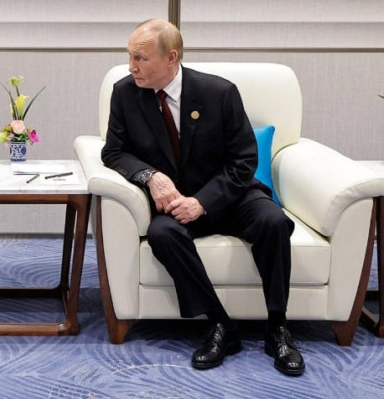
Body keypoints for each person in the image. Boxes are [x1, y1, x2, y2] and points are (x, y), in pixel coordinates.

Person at [101, 19, 304, 376]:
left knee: (273, 221)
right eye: (130, 56)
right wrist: (150, 177)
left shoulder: (219, 92)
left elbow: (244, 161)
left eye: (140, 58)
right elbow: (114, 152)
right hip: (174, 202)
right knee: (162, 234)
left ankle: (278, 327)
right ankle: (220, 323)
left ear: (171, 57)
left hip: (229, 195)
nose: (132, 66)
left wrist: (204, 202)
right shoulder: (125, 93)